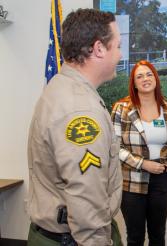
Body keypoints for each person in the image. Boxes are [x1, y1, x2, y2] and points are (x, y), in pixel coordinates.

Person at [27, 9, 123, 246]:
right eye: (118, 46)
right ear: (99, 49)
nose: (121, 55)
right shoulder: (81, 110)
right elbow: (86, 199)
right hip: (75, 239)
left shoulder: (63, 88)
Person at [111, 60, 167, 246]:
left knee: (158, 235)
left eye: (149, 74)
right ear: (134, 83)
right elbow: (113, 146)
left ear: (156, 78)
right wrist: (142, 164)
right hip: (132, 181)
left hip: (162, 181)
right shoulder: (121, 109)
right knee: (135, 237)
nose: (145, 79)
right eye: (140, 76)